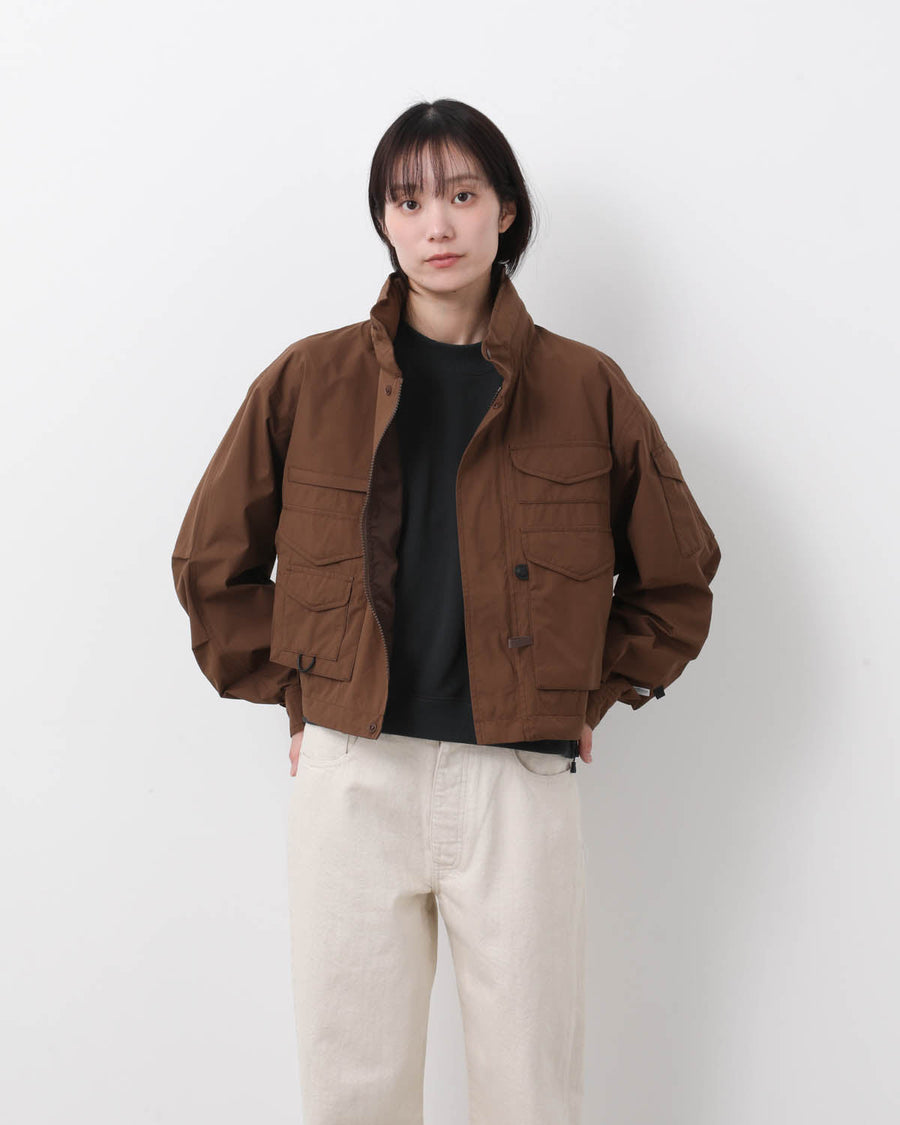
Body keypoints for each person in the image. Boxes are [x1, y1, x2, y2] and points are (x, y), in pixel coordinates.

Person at [172, 98, 721, 1125]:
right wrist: (298, 694)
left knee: (530, 1096)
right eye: (409, 200)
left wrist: (588, 693)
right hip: (353, 775)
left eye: (462, 195)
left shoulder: (585, 387)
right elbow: (212, 561)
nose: (437, 225)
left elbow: (676, 580)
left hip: (519, 782)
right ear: (384, 220)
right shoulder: (309, 379)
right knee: (352, 1094)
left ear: (505, 210)